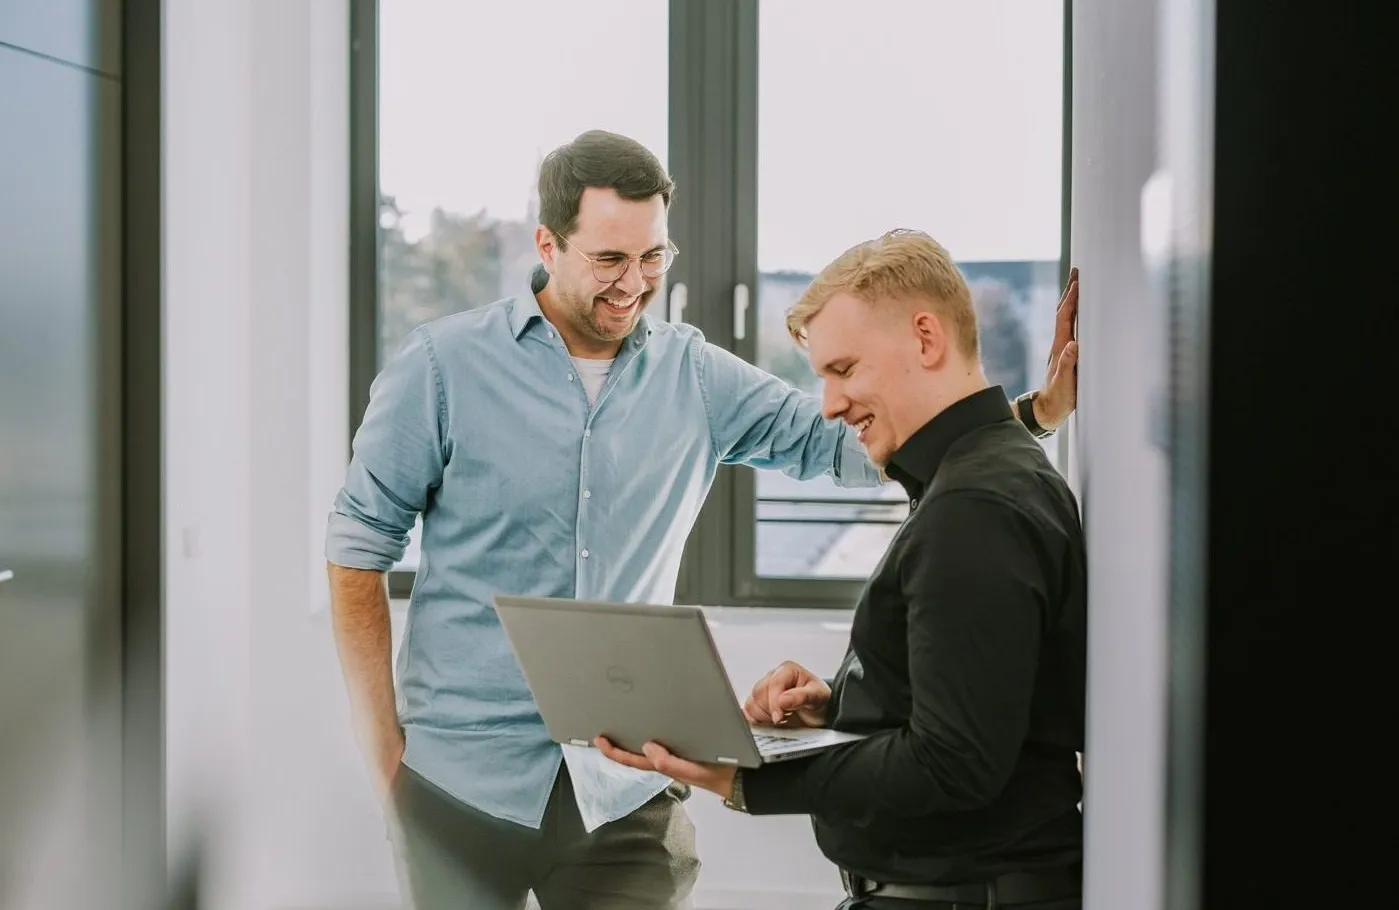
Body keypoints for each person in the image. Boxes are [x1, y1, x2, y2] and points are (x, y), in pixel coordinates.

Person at [325, 130, 1080, 910]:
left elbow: (851, 439)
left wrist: (1029, 414)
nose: (633, 283)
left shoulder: (692, 373)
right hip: (461, 784)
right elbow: (356, 549)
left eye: (653, 258)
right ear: (548, 244)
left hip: (624, 791)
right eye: (609, 261)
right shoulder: (441, 367)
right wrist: (384, 753)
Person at [599, 229, 1087, 910]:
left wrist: (742, 779)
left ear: (925, 339)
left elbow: (954, 764)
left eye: (843, 369)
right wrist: (845, 703)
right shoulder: (981, 478)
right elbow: (988, 699)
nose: (828, 405)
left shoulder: (973, 508)